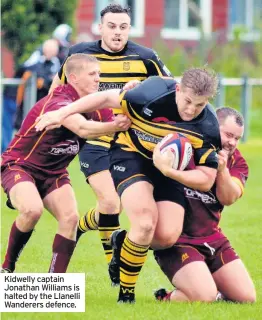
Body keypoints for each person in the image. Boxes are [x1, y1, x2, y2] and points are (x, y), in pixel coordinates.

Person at [35, 66, 221, 303]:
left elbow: (206, 179)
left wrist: (169, 171)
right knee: (144, 222)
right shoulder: (150, 93)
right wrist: (61, 114)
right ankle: (126, 295)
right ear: (177, 88)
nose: (191, 110)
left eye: (200, 105)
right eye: (187, 101)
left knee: (166, 237)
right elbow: (104, 97)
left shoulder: (208, 127)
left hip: (170, 170)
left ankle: (122, 241)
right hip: (130, 155)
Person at [49, 3, 172, 279]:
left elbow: (170, 92)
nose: (117, 33)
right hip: (93, 138)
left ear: (129, 29)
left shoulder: (146, 57)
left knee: (120, 208)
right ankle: (113, 267)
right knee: (110, 203)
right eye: (112, 26)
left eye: (123, 27)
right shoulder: (78, 55)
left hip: (131, 144)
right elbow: (57, 93)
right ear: (100, 27)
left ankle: (83, 226)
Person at [0, 54, 131, 274]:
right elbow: (83, 129)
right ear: (73, 78)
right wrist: (116, 126)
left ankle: (55, 283)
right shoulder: (59, 101)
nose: (98, 79)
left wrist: (132, 94)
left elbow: (119, 113)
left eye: (99, 73)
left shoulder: (91, 102)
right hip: (21, 166)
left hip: (55, 173)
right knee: (32, 210)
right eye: (92, 74)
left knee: (70, 219)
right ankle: (7, 267)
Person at [153, 107, 256, 303]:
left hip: (213, 238)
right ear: (212, 125)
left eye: (237, 138)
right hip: (179, 240)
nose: (232, 143)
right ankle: (165, 297)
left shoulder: (238, 162)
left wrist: (222, 170)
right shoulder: (183, 145)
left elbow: (229, 198)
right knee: (205, 297)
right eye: (228, 135)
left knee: (247, 298)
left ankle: (204, 282)